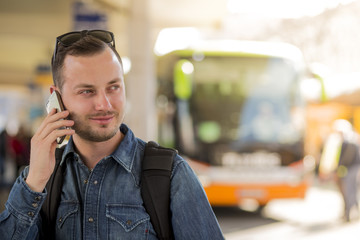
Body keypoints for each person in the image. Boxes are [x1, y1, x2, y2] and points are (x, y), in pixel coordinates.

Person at [0, 30, 225, 239]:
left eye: (113, 87)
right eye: (87, 91)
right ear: (57, 98)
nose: (104, 104)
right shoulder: (40, 177)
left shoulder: (170, 173)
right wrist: (35, 183)